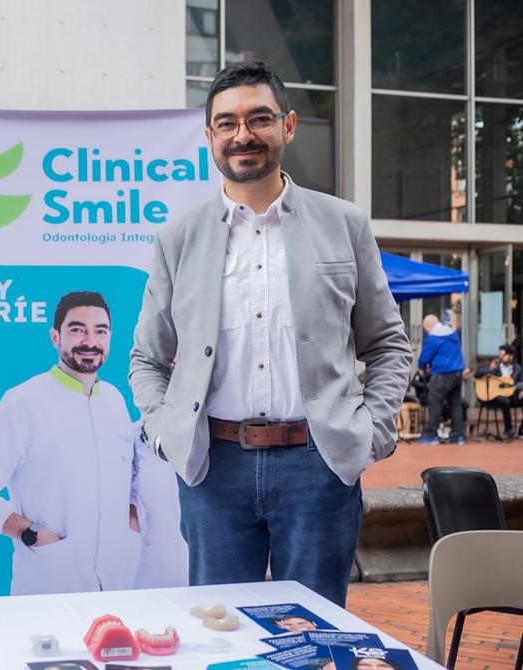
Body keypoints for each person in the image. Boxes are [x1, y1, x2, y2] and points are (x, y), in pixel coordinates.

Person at [129, 60, 412, 607]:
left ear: (288, 125)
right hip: (214, 469)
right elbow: (147, 359)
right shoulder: (177, 239)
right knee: (219, 632)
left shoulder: (344, 224)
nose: (243, 135)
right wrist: (165, 433)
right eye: (227, 123)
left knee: (315, 631)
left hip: (319, 465)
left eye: (259, 118)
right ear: (210, 136)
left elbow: (387, 345)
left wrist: (372, 432)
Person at [0, 291, 183, 595]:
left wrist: (130, 517)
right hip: (50, 585)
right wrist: (30, 533)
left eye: (100, 331)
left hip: (118, 587)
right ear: (55, 337)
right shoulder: (23, 402)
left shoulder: (114, 401)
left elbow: (125, 477)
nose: (90, 341)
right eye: (77, 330)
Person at [417, 314, 466, 445]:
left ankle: (431, 435)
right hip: (458, 372)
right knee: (456, 403)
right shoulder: (453, 334)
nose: (427, 332)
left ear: (428, 326)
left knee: (434, 401)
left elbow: (425, 357)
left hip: (442, 374)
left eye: (425, 329)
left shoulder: (434, 337)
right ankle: (458, 435)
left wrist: (421, 367)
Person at [473, 343, 523, 440]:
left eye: (503, 355)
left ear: (511, 356)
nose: (500, 357)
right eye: (500, 354)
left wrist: (521, 390)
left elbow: (521, 382)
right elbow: (477, 374)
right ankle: (509, 429)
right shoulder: (495, 366)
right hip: (495, 397)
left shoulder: (517, 368)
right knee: (505, 401)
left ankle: (522, 429)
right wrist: (490, 368)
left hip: (513, 395)